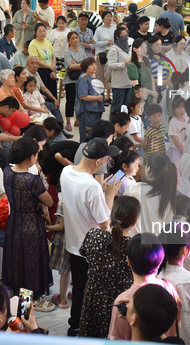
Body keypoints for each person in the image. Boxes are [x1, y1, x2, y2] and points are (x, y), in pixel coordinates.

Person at [60, 137, 121, 336]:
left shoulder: (67, 172)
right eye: (106, 160)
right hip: (90, 248)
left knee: (79, 288)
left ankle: (75, 324)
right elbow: (105, 224)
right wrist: (109, 196)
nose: (106, 164)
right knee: (88, 291)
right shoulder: (92, 186)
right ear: (98, 161)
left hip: (73, 243)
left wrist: (100, 195)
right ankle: (79, 327)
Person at [78, 196, 140, 338]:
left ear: (112, 213)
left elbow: (85, 256)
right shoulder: (134, 247)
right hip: (120, 306)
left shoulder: (94, 235)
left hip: (93, 299)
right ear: (134, 222)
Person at [3, 138, 54, 305]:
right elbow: (49, 202)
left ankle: (15, 313)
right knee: (29, 273)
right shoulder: (31, 180)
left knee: (16, 269)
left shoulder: (7, 171)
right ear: (32, 157)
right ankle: (24, 316)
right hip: (31, 227)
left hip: (14, 225)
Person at [108, 233, 180, 340]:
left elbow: (116, 339)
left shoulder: (124, 301)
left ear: (128, 261)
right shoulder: (169, 287)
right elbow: (174, 329)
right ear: (160, 262)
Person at [124, 153, 177, 234]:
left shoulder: (135, 188)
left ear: (148, 169)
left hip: (132, 242)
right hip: (154, 244)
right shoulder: (168, 197)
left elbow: (122, 215)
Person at [76, 57, 106, 142]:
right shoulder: (84, 78)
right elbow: (82, 96)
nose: (94, 66)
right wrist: (97, 98)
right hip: (87, 111)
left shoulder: (94, 76)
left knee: (94, 134)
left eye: (95, 64)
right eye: (91, 65)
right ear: (85, 66)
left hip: (96, 110)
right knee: (87, 135)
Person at [64, 31, 87, 131]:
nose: (75, 40)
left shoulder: (82, 50)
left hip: (81, 79)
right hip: (70, 80)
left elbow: (86, 64)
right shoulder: (67, 52)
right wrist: (80, 64)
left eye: (76, 38)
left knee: (80, 100)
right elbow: (70, 65)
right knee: (70, 101)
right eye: (72, 38)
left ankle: (78, 119)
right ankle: (68, 122)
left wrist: (76, 64)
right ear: (69, 40)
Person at [107, 28, 132, 112]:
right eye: (123, 36)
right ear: (117, 37)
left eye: (126, 35)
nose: (125, 38)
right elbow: (110, 65)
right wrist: (123, 64)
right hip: (119, 84)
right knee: (117, 108)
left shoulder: (128, 48)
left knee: (126, 108)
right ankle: (113, 124)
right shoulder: (114, 49)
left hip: (128, 82)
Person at [94, 11, 117, 104]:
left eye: (110, 17)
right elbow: (95, 42)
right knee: (101, 75)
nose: (109, 18)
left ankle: (108, 96)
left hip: (112, 54)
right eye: (107, 16)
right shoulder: (99, 29)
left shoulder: (115, 28)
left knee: (110, 75)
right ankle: (101, 95)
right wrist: (105, 43)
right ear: (103, 19)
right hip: (102, 55)